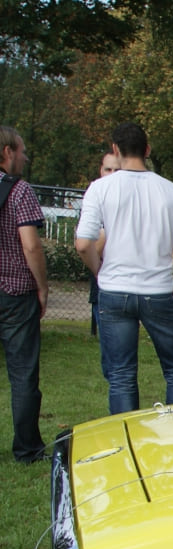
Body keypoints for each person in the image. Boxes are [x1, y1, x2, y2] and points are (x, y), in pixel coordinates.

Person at [75, 121, 173, 415]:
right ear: (147, 150)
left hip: (114, 290)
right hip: (158, 291)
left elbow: (83, 244)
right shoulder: (172, 191)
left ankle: (127, 444)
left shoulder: (100, 189)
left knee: (121, 375)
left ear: (115, 149)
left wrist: (100, 271)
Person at [0, 125, 47, 464]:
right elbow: (30, 245)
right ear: (7, 152)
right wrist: (42, 286)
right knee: (23, 374)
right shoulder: (19, 191)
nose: (25, 156)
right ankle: (27, 448)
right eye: (22, 150)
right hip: (15, 292)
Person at [87, 152, 121, 336]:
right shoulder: (95, 197)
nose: (112, 174)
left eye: (117, 170)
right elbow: (88, 244)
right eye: (108, 169)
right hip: (102, 279)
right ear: (101, 170)